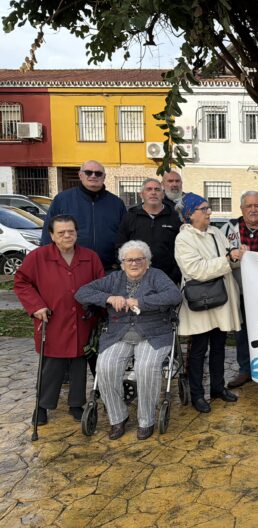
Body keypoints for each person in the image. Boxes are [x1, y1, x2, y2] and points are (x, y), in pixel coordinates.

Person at [75, 241, 182, 440]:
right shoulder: (114, 279)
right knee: (105, 367)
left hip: (154, 333)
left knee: (146, 368)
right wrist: (109, 298)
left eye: (139, 259)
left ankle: (146, 420)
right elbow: (82, 293)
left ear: (147, 262)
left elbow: (174, 296)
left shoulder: (156, 276)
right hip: (118, 333)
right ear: (122, 263)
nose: (134, 263)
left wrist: (141, 302)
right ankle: (118, 418)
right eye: (129, 260)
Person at [14, 215, 104, 426]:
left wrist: (97, 306)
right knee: (52, 365)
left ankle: (76, 403)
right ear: (52, 235)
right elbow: (21, 282)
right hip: (53, 320)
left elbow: (101, 284)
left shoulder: (90, 257)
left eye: (71, 231)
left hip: (82, 319)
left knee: (79, 362)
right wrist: (36, 306)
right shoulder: (38, 257)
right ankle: (42, 405)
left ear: (76, 233)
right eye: (61, 232)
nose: (67, 236)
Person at [175, 193, 243, 413]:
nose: (209, 212)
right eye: (203, 209)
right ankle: (197, 394)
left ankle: (217, 387)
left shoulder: (216, 232)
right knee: (198, 350)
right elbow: (195, 270)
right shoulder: (183, 239)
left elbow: (228, 261)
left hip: (221, 298)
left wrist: (237, 257)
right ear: (190, 214)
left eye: (208, 208)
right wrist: (228, 260)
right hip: (201, 301)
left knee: (219, 346)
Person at [220, 191, 258, 392]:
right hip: (239, 289)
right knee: (241, 332)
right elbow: (220, 255)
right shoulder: (227, 229)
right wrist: (233, 256)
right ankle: (245, 369)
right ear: (241, 208)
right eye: (249, 206)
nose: (253, 209)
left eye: (257, 206)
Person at [41, 160, 126, 270]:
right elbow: (48, 233)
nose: (93, 176)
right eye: (88, 172)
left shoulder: (116, 203)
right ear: (80, 175)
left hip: (108, 269)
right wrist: (49, 262)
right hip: (71, 269)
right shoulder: (62, 200)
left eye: (98, 173)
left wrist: (120, 262)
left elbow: (125, 235)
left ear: (104, 177)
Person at [115, 178, 181, 284]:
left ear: (163, 194)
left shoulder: (175, 217)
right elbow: (120, 247)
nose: (153, 192)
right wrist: (129, 272)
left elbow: (182, 249)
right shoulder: (130, 217)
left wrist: (175, 275)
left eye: (157, 189)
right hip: (136, 279)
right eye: (149, 189)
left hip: (168, 279)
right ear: (141, 194)